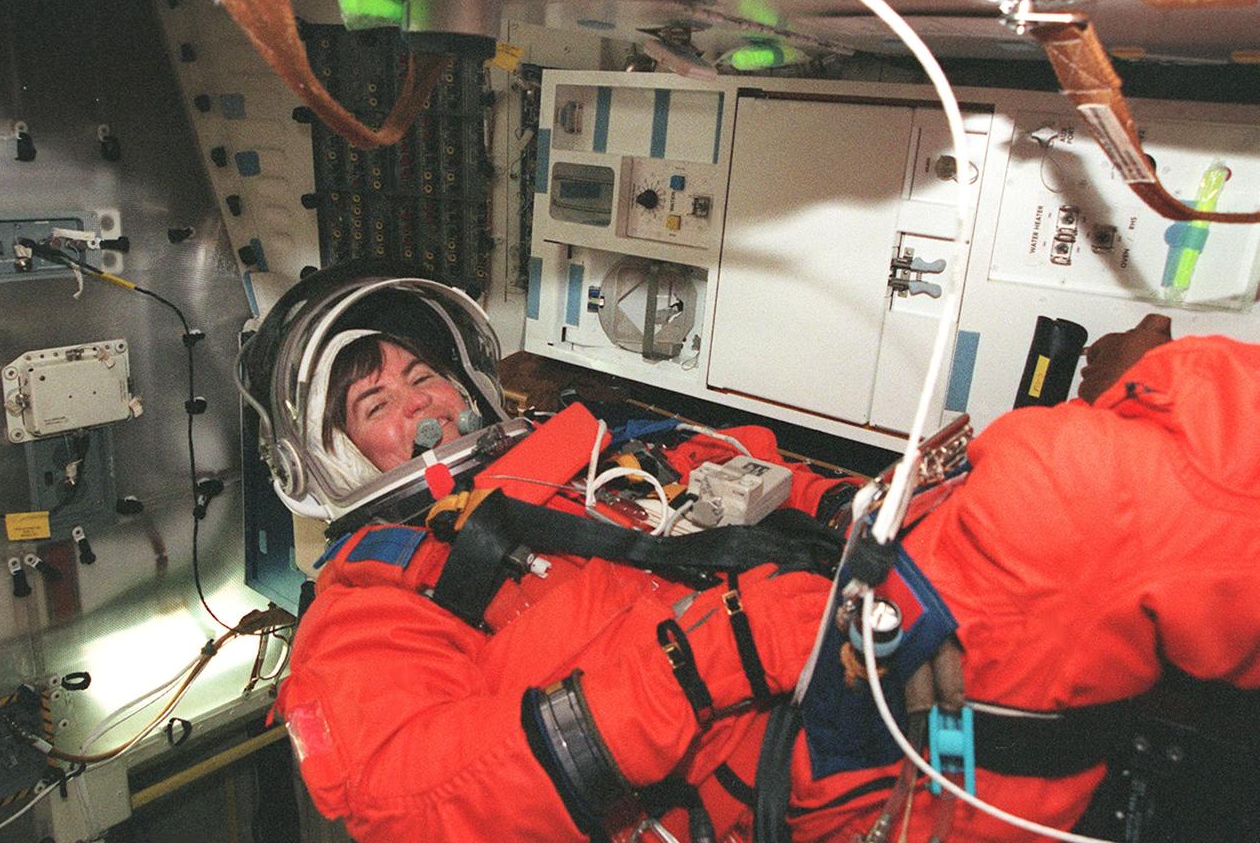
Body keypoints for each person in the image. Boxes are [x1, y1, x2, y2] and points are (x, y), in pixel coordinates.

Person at [240, 261, 1260, 842]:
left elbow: (756, 484)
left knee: (1119, 449)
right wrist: (696, 661)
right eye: (376, 401)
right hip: (778, 775)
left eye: (422, 373)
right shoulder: (372, 594)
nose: (420, 404)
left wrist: (874, 501)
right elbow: (405, 802)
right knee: (1098, 482)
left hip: (853, 660)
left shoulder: (590, 441)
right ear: (327, 458)